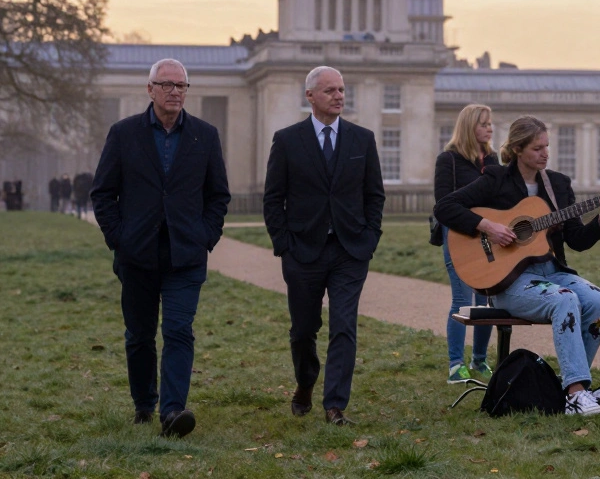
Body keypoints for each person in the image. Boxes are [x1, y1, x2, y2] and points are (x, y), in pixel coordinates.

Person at [434, 115, 600, 416]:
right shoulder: (496, 179)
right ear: (518, 149)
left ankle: (571, 386)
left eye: (547, 146)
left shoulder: (558, 185)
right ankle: (575, 394)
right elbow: (444, 207)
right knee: (565, 300)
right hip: (510, 282)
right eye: (537, 148)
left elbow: (577, 241)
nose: (545, 153)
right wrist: (488, 227)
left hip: (552, 273)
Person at [90, 58, 231, 438]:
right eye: (166, 84)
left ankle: (172, 411)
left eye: (181, 86)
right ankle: (143, 405)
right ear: (149, 89)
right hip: (137, 254)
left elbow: (218, 195)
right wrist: (119, 237)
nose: (174, 92)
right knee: (139, 335)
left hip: (185, 254)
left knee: (179, 331)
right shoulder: (124, 134)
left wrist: (206, 235)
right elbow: (103, 192)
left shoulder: (205, 135)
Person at [263, 66, 386, 426]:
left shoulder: (362, 139)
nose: (339, 96)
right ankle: (305, 381)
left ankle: (335, 406)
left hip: (350, 250)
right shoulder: (287, 140)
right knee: (303, 330)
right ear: (311, 96)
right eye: (330, 90)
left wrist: (370, 236)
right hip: (302, 251)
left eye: (342, 90)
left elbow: (374, 194)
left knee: (344, 325)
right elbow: (273, 198)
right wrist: (283, 244)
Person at [433, 103, 500, 384]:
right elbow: (443, 205)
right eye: (483, 123)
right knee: (462, 299)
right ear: (469, 127)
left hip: (489, 236)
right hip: (458, 234)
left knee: (486, 300)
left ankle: (480, 360)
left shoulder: (494, 159)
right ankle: (456, 365)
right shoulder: (448, 159)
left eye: (490, 123)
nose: (489, 128)